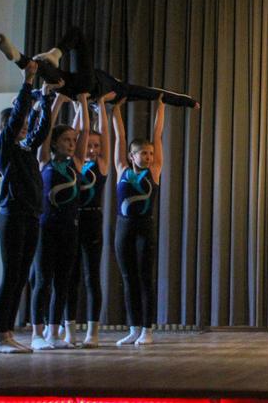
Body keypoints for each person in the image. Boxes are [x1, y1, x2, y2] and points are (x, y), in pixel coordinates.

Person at [0, 62, 56, 353]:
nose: (25, 125)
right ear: (7, 128)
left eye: (27, 122)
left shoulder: (25, 148)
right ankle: (1, 337)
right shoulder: (3, 148)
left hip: (30, 216)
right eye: (20, 123)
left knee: (21, 277)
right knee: (11, 276)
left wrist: (46, 99)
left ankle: (8, 333)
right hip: (13, 217)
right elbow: (17, 117)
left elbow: (41, 130)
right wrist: (27, 82)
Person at [0, 28, 199, 108]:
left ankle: (51, 55)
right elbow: (154, 93)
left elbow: (154, 93)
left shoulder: (123, 90)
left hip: (87, 87)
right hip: (73, 86)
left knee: (78, 34)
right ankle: (19, 58)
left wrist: (188, 101)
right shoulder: (120, 91)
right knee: (45, 73)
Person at [29, 93, 89, 351]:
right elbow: (46, 128)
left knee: (62, 282)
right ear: (54, 143)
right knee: (43, 280)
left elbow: (85, 132)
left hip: (69, 229)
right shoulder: (44, 160)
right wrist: (58, 102)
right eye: (66, 140)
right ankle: (37, 333)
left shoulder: (77, 163)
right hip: (46, 228)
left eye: (73, 140)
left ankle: (54, 332)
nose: (72, 144)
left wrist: (83, 101)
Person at [111, 96, 165, 346]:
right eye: (143, 153)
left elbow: (158, 135)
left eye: (151, 153)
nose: (149, 156)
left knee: (145, 278)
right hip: (124, 227)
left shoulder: (154, 171)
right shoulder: (121, 169)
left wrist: (161, 107)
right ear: (132, 156)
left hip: (145, 227)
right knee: (128, 277)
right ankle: (133, 328)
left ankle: (147, 329)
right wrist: (116, 110)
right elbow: (120, 137)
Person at [64, 93, 115, 348]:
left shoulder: (102, 165)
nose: (93, 149)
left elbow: (105, 135)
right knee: (70, 277)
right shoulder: (73, 163)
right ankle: (69, 332)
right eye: (89, 145)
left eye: (96, 146)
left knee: (92, 276)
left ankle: (92, 333)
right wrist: (80, 107)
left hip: (92, 220)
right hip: (73, 221)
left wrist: (101, 107)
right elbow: (76, 132)